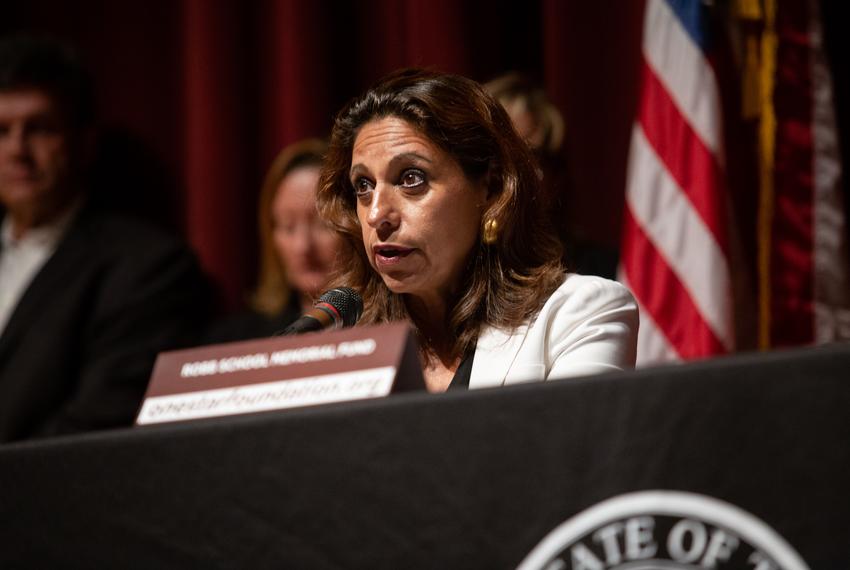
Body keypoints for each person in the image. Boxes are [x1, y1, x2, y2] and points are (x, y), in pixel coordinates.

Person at [317, 69, 638, 392]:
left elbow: (572, 443)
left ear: (492, 187)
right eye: (363, 185)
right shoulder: (338, 347)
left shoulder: (580, 314)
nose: (376, 215)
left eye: (411, 178)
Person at [0, 34, 211, 442]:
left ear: (83, 141)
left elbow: (96, 427)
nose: (17, 151)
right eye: (2, 130)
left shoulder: (145, 266)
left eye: (39, 129)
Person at [484, 71, 619, 279]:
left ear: (556, 174)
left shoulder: (600, 270)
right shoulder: (452, 270)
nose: (517, 175)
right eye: (500, 157)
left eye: (533, 157)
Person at [204, 138, 341, 342]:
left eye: (323, 224)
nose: (302, 246)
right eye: (288, 226)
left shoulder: (393, 327)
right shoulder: (237, 340)